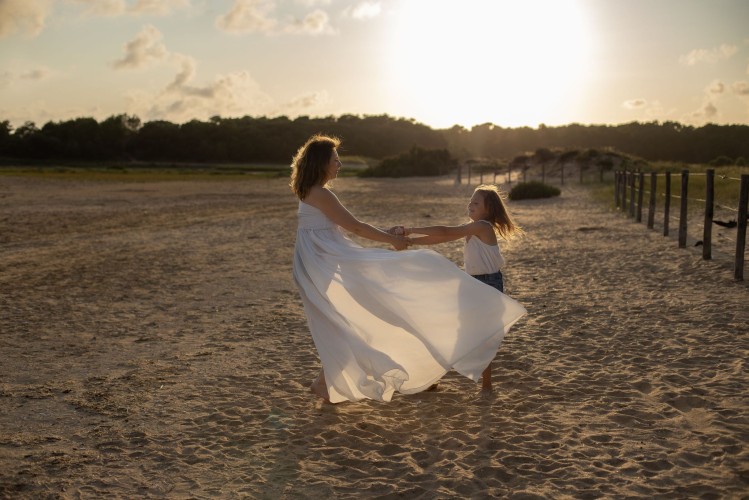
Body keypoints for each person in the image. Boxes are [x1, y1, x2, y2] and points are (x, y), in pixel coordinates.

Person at [290, 134, 526, 403]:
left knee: (345, 320)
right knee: (352, 317)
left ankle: (325, 382)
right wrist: (393, 239)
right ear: (321, 163)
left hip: (321, 260)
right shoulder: (321, 194)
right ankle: (327, 382)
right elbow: (354, 226)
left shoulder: (312, 192)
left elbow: (346, 226)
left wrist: (399, 236)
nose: (339, 164)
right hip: (324, 261)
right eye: (335, 160)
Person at [390, 184, 522, 392]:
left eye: (476, 202)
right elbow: (442, 237)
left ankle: (486, 386)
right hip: (471, 283)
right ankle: (433, 378)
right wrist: (411, 241)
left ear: (488, 209)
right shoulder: (472, 227)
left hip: (487, 285)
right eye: (470, 200)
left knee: (483, 336)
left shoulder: (482, 227)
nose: (471, 204)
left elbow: (445, 232)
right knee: (454, 329)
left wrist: (411, 230)